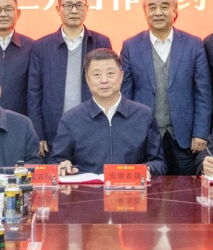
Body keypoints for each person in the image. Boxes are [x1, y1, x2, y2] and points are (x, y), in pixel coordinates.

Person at [121, 0, 212, 175]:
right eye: (152, 7)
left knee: (186, 189)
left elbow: (203, 92)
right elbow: (125, 95)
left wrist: (200, 132)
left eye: (164, 7)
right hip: (144, 134)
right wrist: (129, 132)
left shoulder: (194, 44)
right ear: (145, 13)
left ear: (175, 11)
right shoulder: (130, 46)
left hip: (185, 137)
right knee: (147, 187)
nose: (158, 12)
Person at [51, 49, 166, 177]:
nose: (104, 80)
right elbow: (56, 161)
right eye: (97, 75)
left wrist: (147, 169)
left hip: (131, 187)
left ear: (121, 76)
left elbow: (159, 163)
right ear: (87, 79)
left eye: (110, 73)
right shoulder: (71, 119)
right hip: (87, 189)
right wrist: (62, 165)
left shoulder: (143, 115)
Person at [28, 0, 112, 157]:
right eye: (68, 5)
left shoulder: (101, 42)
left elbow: (111, 88)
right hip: (54, 129)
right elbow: (34, 93)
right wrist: (38, 133)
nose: (74, 10)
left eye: (79, 5)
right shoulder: (41, 46)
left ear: (87, 9)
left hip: (94, 127)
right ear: (58, 9)